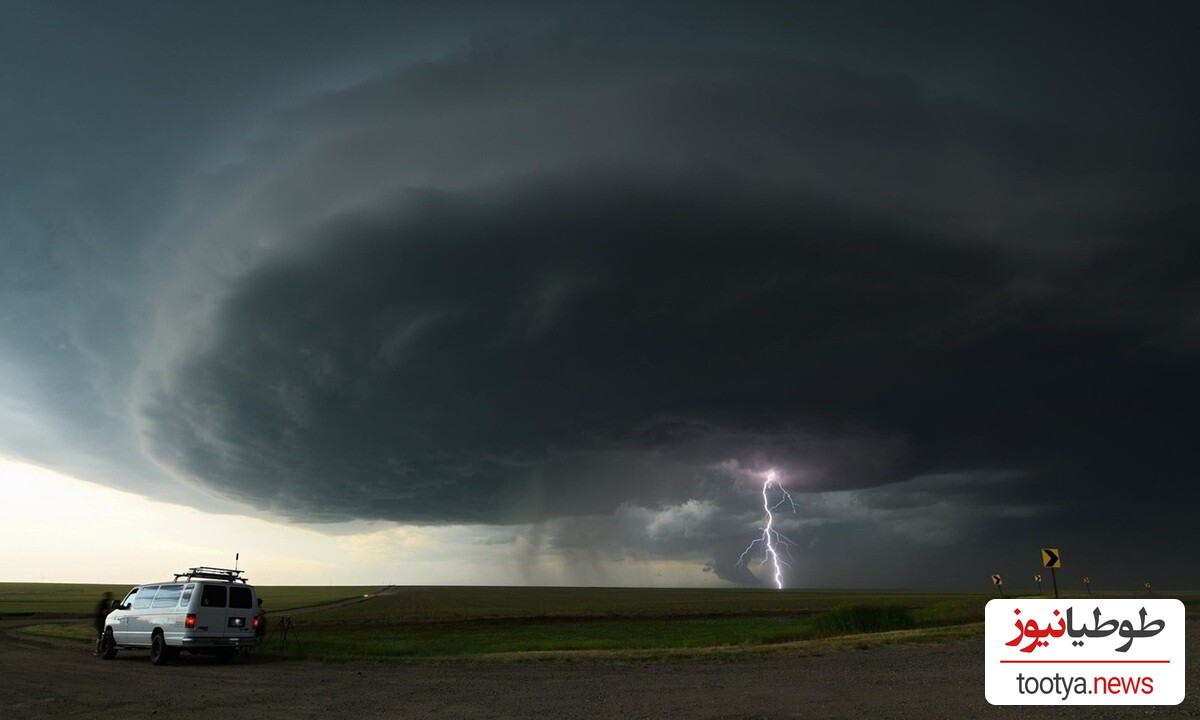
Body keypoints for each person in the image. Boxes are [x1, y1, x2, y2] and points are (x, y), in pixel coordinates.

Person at [93, 591, 113, 655]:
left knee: (100, 635)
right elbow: (105, 612)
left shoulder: (102, 602)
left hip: (98, 620)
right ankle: (97, 650)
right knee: (101, 635)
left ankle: (97, 650)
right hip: (101, 620)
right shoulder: (105, 603)